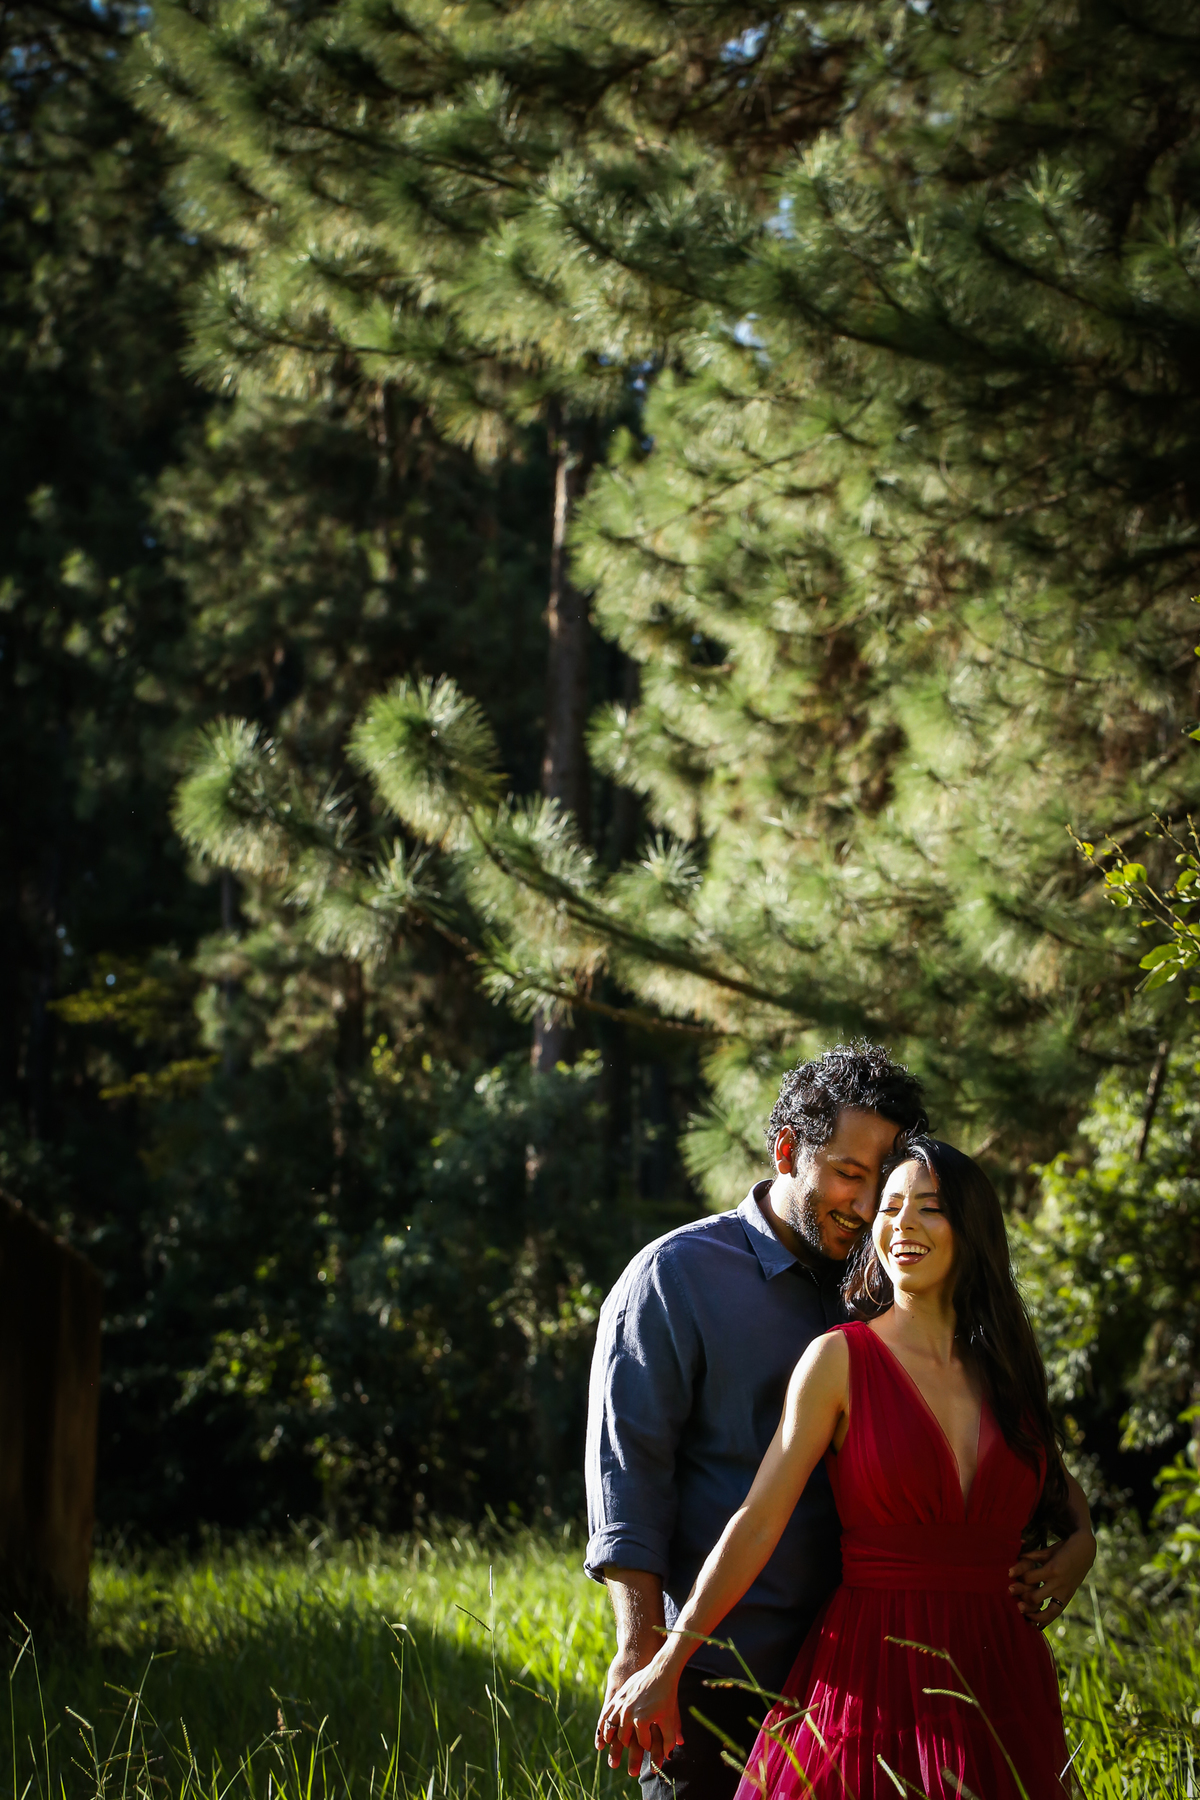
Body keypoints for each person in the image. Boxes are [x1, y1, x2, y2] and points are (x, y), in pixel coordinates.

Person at [598, 1136, 1097, 1800]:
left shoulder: (1004, 1371)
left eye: (930, 1207)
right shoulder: (837, 1361)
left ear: (971, 1231)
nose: (902, 1225)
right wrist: (667, 1661)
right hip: (875, 1673)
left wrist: (1083, 1548)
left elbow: (1065, 1500)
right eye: (890, 1207)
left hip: (1003, 1674)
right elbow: (755, 1523)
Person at [585, 1043, 931, 1800]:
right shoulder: (673, 1279)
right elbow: (630, 1483)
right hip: (711, 1679)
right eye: (848, 1172)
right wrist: (642, 1654)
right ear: (785, 1151)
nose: (869, 1204)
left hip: (862, 1682)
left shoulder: (889, 1284)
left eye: (885, 1178)